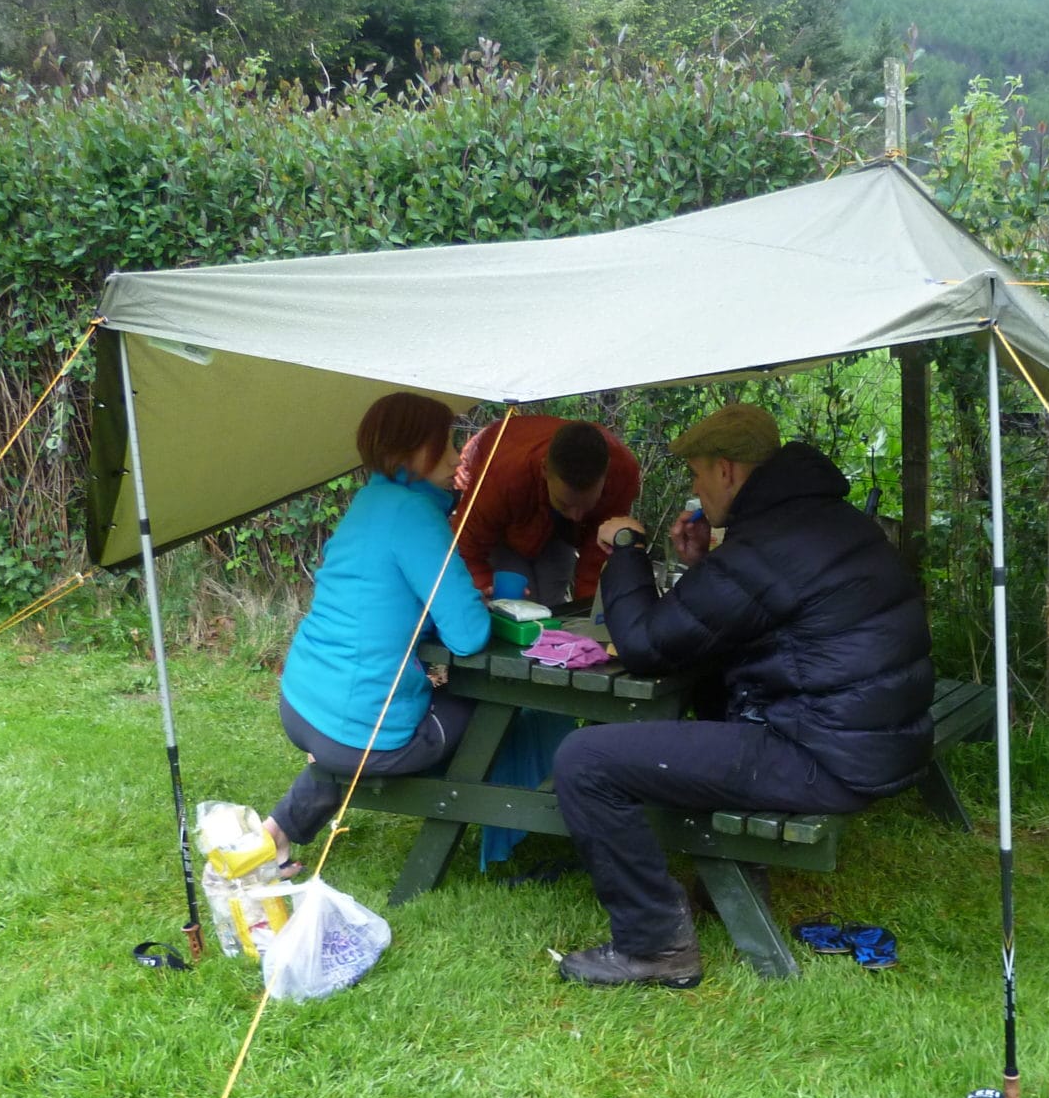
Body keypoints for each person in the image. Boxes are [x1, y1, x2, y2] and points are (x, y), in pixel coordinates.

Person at [552, 404, 935, 988]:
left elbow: (647, 643)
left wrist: (627, 551)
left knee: (584, 760)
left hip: (822, 759)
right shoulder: (828, 521)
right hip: (876, 743)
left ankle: (655, 947)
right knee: (711, 685)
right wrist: (706, 566)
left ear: (727, 471)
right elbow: (751, 618)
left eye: (698, 477)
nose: (696, 492)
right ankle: (728, 877)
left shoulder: (769, 546)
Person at [261, 392, 490, 871]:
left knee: (352, 729)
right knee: (488, 701)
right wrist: (472, 602)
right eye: (444, 445)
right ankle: (501, 820)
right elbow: (468, 636)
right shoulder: (415, 514)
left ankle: (275, 833)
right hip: (362, 732)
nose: (456, 458)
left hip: (302, 704)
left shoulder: (371, 500)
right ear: (406, 452)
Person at [450, 415, 641, 605]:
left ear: (605, 473)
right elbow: (466, 547)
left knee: (552, 603)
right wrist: (487, 585)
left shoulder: (622, 474)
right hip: (505, 523)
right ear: (544, 469)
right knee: (520, 601)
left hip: (557, 530)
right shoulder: (501, 477)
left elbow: (596, 557)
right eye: (565, 503)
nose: (576, 516)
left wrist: (587, 612)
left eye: (587, 504)